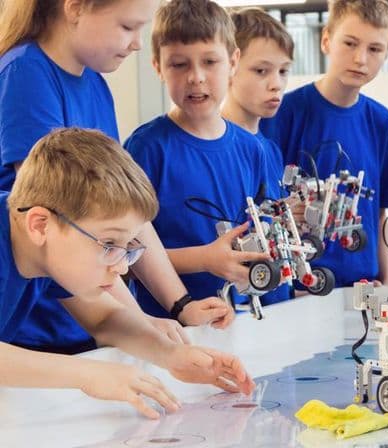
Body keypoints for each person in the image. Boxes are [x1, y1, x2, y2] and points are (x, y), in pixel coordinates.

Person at [0, 0, 231, 355]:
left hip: (86, 313)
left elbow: (123, 214)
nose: (138, 43)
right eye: (127, 27)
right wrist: (136, 320)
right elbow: (73, 216)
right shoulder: (26, 74)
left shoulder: (94, 83)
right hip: (36, 327)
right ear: (75, 9)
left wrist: (179, 305)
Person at [1, 128, 254, 418]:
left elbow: (105, 318)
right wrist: (89, 374)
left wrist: (171, 355)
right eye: (109, 244)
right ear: (40, 226)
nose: (122, 266)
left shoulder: (45, 247)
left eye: (128, 246)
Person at [124, 0, 279, 317]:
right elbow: (124, 256)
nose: (196, 77)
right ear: (158, 67)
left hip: (247, 323)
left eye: (210, 62)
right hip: (173, 329)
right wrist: (204, 259)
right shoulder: (145, 149)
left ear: (233, 62)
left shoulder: (254, 150)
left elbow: (270, 237)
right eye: (179, 65)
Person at [260, 0, 388, 287]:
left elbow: (380, 214)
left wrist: (387, 281)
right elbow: (264, 207)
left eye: (374, 49)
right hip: (301, 288)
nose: (361, 58)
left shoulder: (383, 124)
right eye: (350, 43)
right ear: (326, 40)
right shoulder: (282, 115)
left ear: (386, 53)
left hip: (364, 288)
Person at [221, 6, 296, 304]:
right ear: (230, 65)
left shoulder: (270, 148)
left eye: (283, 71)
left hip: (275, 301)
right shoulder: (221, 147)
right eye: (261, 71)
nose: (276, 83)